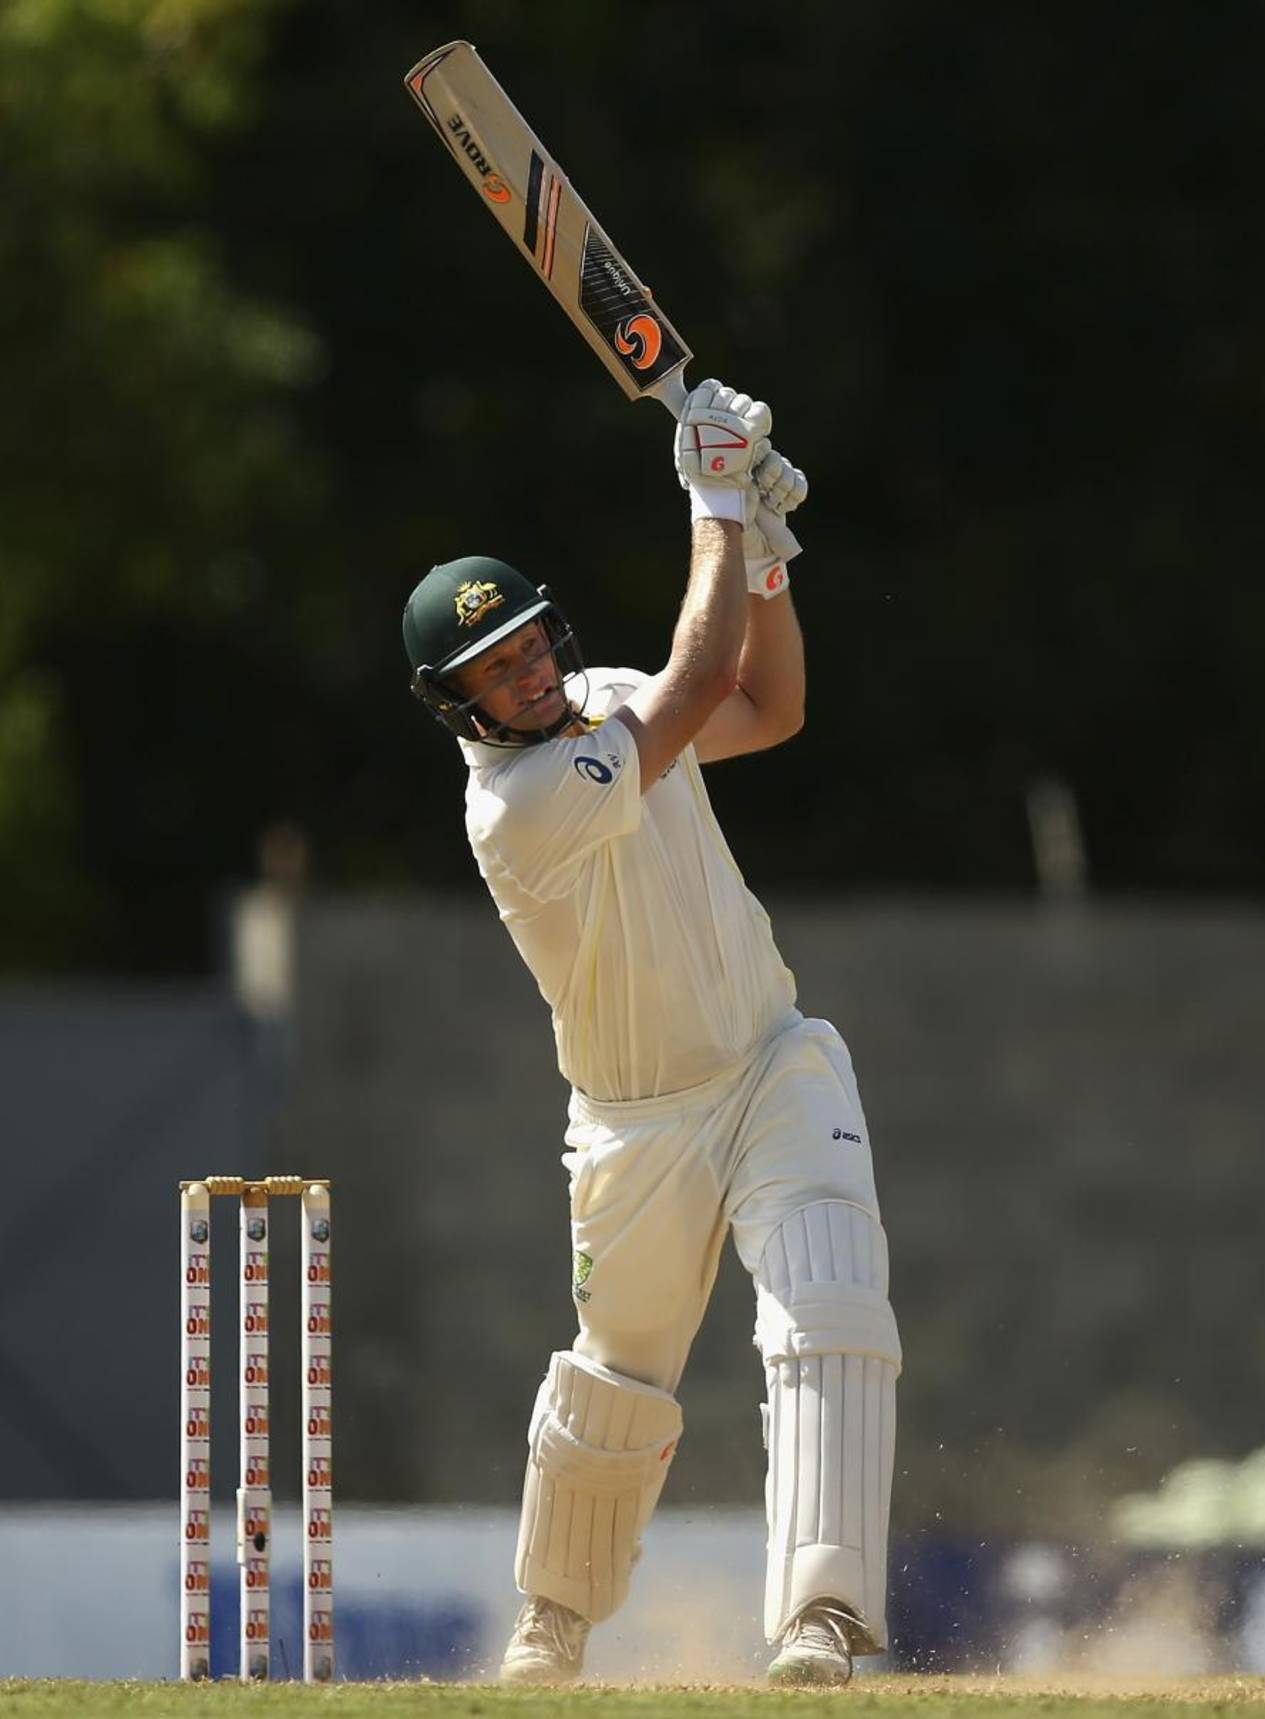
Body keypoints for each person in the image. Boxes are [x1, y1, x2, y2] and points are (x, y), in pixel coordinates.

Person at [401, 381, 902, 1687]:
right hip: (633, 1126)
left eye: (522, 643)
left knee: (829, 1305)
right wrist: (717, 500)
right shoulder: (515, 806)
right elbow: (689, 694)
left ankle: (820, 1621)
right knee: (618, 1380)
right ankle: (554, 1621)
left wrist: (770, 556)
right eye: (490, 672)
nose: (521, 671)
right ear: (460, 707)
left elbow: (765, 706)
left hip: (770, 1060)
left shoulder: (605, 693)